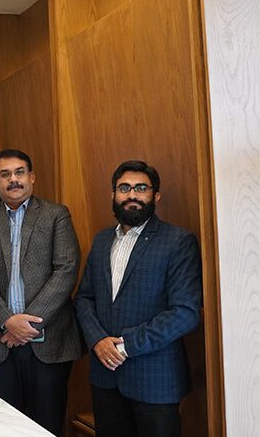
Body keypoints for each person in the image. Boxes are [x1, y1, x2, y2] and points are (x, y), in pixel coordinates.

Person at [74, 160, 202, 437]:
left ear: (155, 196)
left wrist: (125, 346)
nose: (132, 195)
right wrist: (97, 340)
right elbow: (84, 298)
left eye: (140, 188)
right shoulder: (102, 240)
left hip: (156, 380)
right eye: (124, 188)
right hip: (105, 378)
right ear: (113, 195)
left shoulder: (178, 241)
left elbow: (185, 312)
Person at [0, 149, 83, 436]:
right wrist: (8, 321)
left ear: (31, 177)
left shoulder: (56, 215)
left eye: (19, 172)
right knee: (3, 427)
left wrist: (27, 324)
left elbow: (66, 270)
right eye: (5, 175)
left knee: (47, 425)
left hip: (49, 341)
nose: (13, 180)